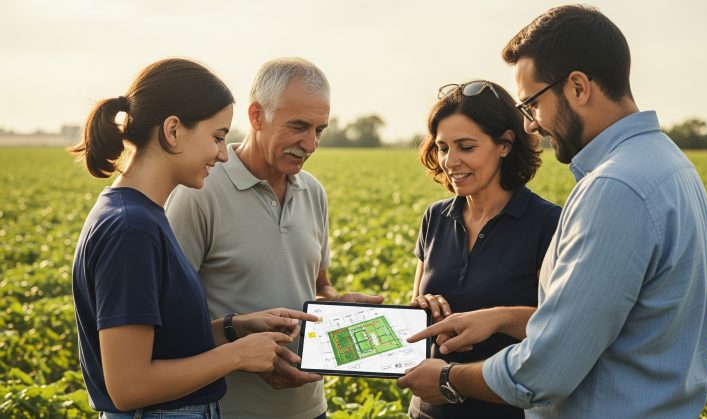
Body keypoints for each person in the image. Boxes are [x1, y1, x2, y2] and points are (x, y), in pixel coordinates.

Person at [398, 5, 707, 418]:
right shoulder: (669, 165)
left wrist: (447, 379)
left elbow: (544, 370)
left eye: (532, 103)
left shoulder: (615, 188)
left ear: (579, 88)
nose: (532, 124)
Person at [70, 58, 318, 418]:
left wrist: (234, 328)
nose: (222, 153)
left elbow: (165, 345)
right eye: (217, 137)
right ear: (173, 131)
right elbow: (129, 386)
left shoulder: (141, 216)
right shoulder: (132, 229)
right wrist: (237, 355)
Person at [165, 57, 383, 419]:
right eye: (298, 126)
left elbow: (318, 286)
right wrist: (243, 351)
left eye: (319, 130)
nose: (310, 144)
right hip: (227, 410)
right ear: (256, 116)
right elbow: (169, 321)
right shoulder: (200, 192)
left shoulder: (313, 192)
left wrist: (339, 307)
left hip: (310, 408)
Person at [408, 80, 560, 419]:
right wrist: (421, 304)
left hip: (505, 409)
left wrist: (498, 319)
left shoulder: (547, 223)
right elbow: (418, 299)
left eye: (466, 147)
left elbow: (562, 329)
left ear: (505, 144)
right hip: (428, 409)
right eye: (443, 147)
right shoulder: (435, 217)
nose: (450, 161)